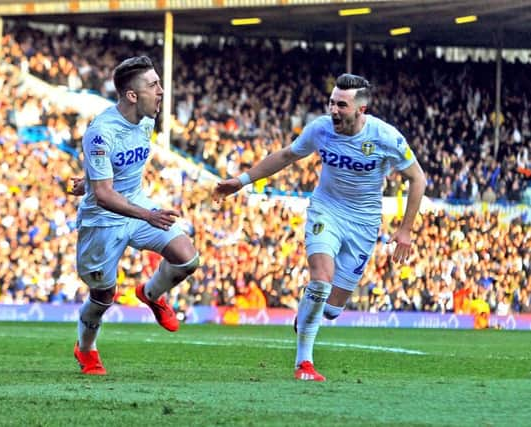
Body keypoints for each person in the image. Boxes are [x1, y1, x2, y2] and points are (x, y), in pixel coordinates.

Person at [213, 73, 426, 381]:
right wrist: (242, 181)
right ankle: (304, 363)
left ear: (361, 110)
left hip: (364, 222)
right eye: (331, 103)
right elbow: (287, 155)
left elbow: (417, 178)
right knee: (321, 280)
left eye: (341, 105)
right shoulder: (321, 129)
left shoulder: (385, 137)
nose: (334, 110)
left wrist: (405, 230)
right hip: (326, 210)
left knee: (332, 308)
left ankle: (309, 314)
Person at [70, 56, 199, 375]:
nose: (161, 91)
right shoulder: (100, 132)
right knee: (103, 296)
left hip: (137, 207)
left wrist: (89, 178)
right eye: (153, 85)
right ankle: (86, 349)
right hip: (102, 220)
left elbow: (116, 169)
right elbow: (103, 194)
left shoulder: (146, 120)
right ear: (132, 95)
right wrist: (147, 214)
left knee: (187, 258)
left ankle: (151, 294)